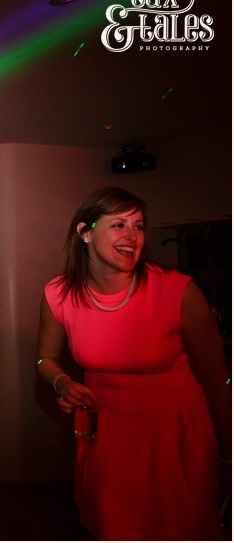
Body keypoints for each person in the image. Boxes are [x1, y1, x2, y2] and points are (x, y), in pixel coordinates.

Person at [35, 187, 231, 540]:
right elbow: (43, 358)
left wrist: (229, 450)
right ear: (85, 232)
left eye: (138, 226)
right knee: (115, 527)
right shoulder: (59, 294)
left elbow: (220, 380)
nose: (132, 237)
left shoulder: (178, 291)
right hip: (105, 440)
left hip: (175, 439)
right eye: (119, 225)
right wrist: (61, 382)